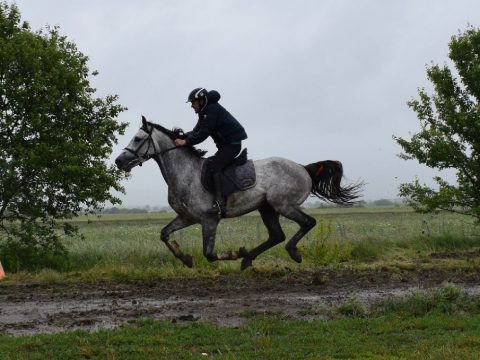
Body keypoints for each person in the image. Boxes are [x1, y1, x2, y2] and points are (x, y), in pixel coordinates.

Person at [174, 88, 247, 216]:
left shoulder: (212, 110)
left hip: (232, 145)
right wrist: (183, 137)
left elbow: (202, 134)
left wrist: (185, 142)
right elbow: (196, 131)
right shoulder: (204, 112)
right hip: (225, 145)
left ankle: (220, 203)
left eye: (193, 102)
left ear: (201, 101)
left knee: (214, 166)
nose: (192, 106)